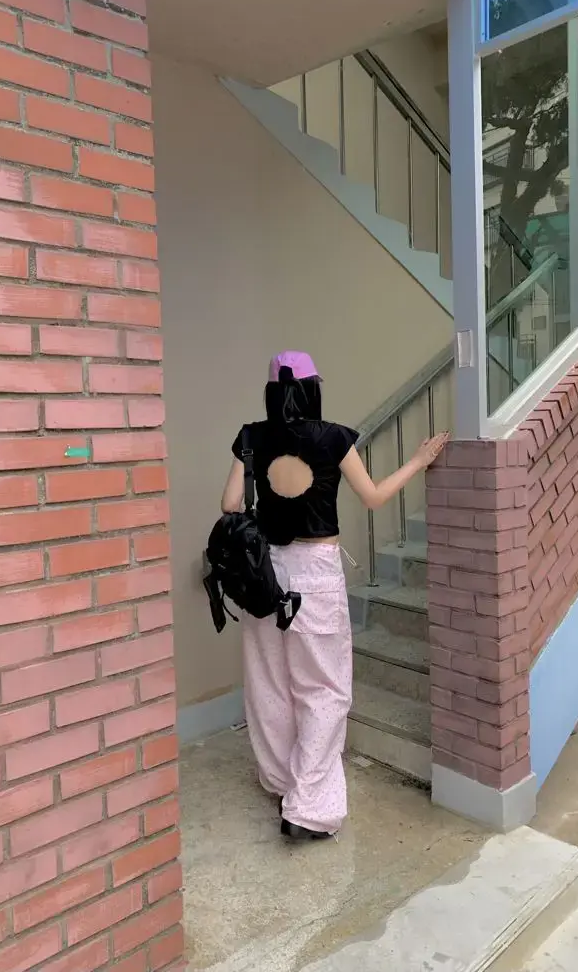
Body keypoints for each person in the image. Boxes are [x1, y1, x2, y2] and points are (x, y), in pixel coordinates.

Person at [220, 351, 449, 841]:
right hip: (315, 575)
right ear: (312, 389)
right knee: (323, 689)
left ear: (273, 391)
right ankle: (307, 808)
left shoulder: (251, 437)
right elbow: (374, 497)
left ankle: (281, 782)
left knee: (269, 684)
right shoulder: (333, 438)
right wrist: (417, 461)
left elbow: (230, 504)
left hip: (265, 574)